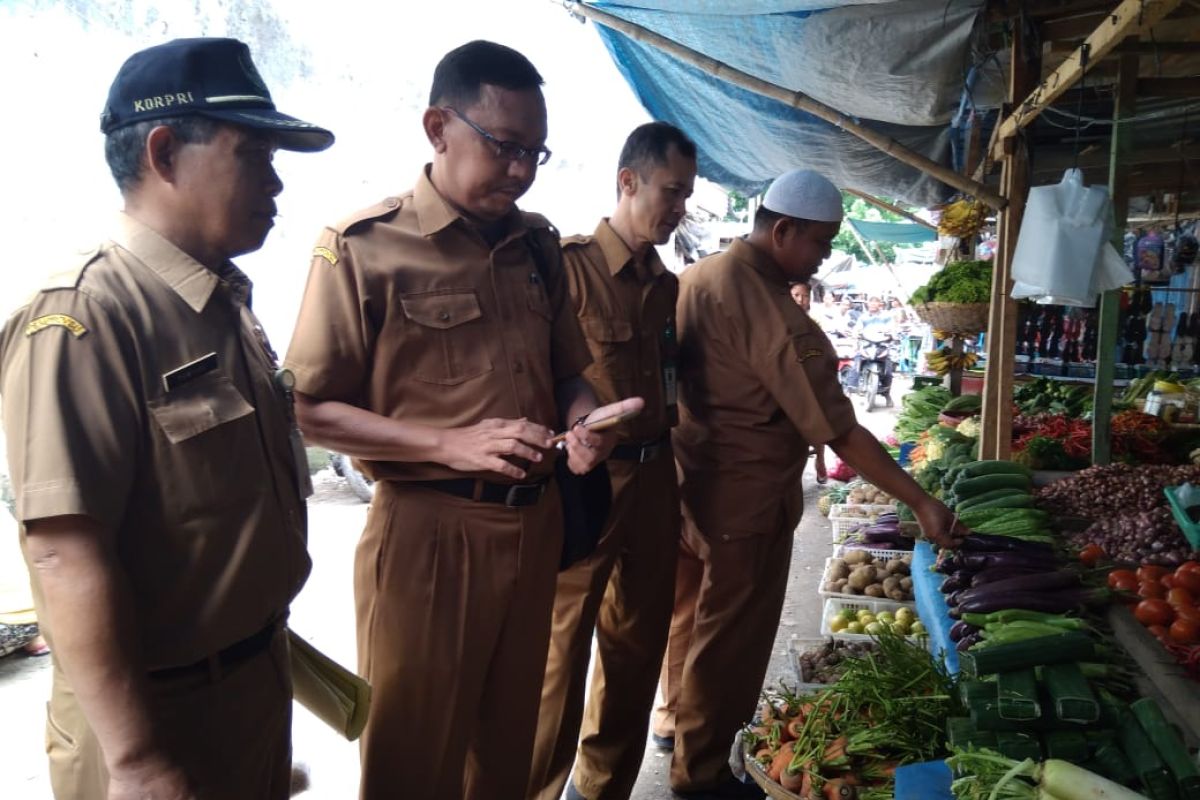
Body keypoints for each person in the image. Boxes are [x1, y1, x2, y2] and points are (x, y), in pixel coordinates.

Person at [283, 40, 620, 800]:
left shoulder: (536, 244)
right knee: (413, 761)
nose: (522, 171)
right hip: (428, 538)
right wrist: (448, 443)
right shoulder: (365, 247)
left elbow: (569, 370)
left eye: (536, 152)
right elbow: (305, 406)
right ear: (438, 127)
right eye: (504, 147)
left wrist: (585, 417)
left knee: (506, 757)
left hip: (534, 530)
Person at [0, 38, 332, 800]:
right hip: (153, 717)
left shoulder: (219, 301)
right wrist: (138, 761)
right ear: (163, 152)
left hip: (250, 683)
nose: (276, 183)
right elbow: (62, 552)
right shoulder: (84, 313)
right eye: (254, 154)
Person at [657, 169, 965, 799]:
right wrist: (921, 501)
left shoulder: (697, 278)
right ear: (783, 230)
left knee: (686, 620)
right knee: (729, 640)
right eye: (821, 243)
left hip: (686, 484)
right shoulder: (776, 315)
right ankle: (702, 772)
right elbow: (841, 432)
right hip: (742, 504)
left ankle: (673, 724)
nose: (823, 258)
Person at [528, 122, 696, 800]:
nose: (679, 207)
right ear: (628, 182)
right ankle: (537, 789)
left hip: (656, 480)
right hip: (588, 481)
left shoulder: (667, 286)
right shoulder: (567, 269)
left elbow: (671, 387)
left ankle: (602, 791)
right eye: (671, 191)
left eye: (687, 193)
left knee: (636, 649)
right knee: (557, 656)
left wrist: (681, 487)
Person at [787, 282, 829, 484]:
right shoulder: (779, 322)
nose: (800, 300)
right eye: (796, 295)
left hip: (811, 379)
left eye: (804, 296)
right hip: (787, 381)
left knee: (819, 418)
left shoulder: (814, 325)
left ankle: (820, 459)